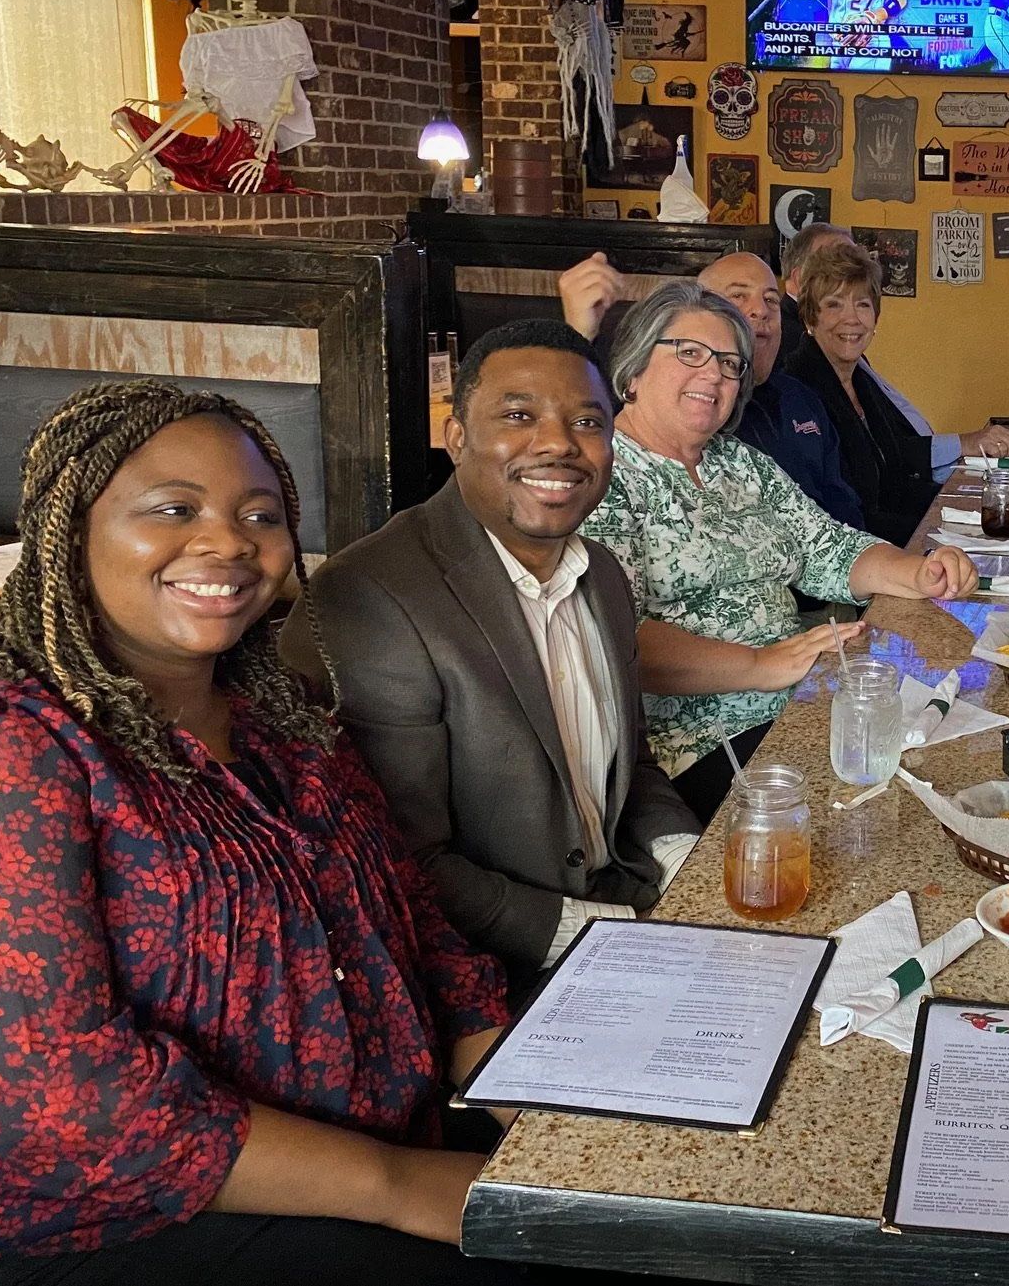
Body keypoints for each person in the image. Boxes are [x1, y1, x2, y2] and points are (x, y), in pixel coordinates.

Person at [0, 380, 527, 1281]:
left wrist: (548, 1120)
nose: (227, 541)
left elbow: (427, 944)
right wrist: (401, 1183)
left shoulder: (292, 732)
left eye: (259, 514)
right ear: (70, 535)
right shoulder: (15, 753)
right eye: (173, 509)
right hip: (128, 1220)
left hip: (388, 1144)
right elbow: (55, 1094)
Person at [282, 319, 702, 984]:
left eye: (587, 423)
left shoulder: (601, 574)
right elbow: (401, 857)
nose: (559, 443)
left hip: (623, 906)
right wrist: (605, 937)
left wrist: (688, 860)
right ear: (457, 437)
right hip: (487, 968)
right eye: (518, 414)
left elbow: (634, 765)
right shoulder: (372, 597)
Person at [583, 279, 979, 823]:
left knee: (952, 757)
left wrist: (920, 572)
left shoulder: (738, 462)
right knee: (877, 814)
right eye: (690, 353)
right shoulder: (605, 475)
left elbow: (827, 547)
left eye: (729, 363)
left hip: (805, 693)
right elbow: (615, 636)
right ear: (632, 369)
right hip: (700, 737)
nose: (713, 375)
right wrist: (758, 664)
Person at [558, 249, 867, 532]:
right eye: (738, 296)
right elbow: (582, 423)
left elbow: (843, 508)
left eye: (771, 299)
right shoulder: (669, 411)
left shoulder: (801, 400)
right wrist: (579, 333)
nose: (760, 310)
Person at [790, 242, 1009, 543]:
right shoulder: (800, 391)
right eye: (834, 304)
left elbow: (896, 479)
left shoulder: (860, 378)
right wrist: (941, 531)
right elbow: (842, 518)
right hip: (858, 559)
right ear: (809, 319)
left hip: (888, 541)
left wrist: (967, 508)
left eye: (862, 304)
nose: (852, 318)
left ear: (875, 320)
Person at [777, 220, 852, 366]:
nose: (853, 277)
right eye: (837, 266)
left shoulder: (835, 328)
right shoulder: (786, 339)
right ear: (800, 278)